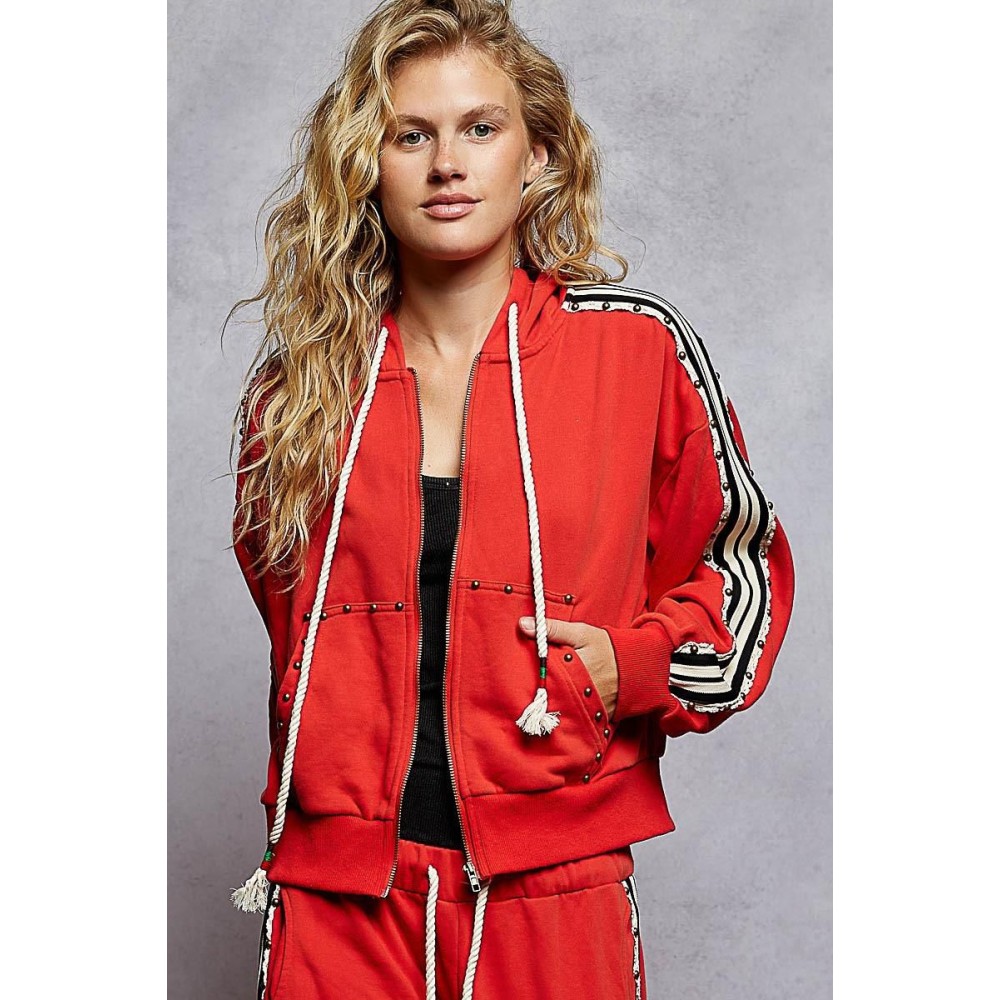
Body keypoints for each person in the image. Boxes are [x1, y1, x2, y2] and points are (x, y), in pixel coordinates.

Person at [226, 2, 795, 998]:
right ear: (368, 165)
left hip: (554, 886)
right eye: (411, 135)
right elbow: (290, 623)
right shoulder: (301, 387)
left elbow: (741, 571)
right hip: (335, 897)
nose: (448, 164)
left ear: (536, 155)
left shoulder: (636, 349)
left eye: (480, 128)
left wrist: (626, 669)